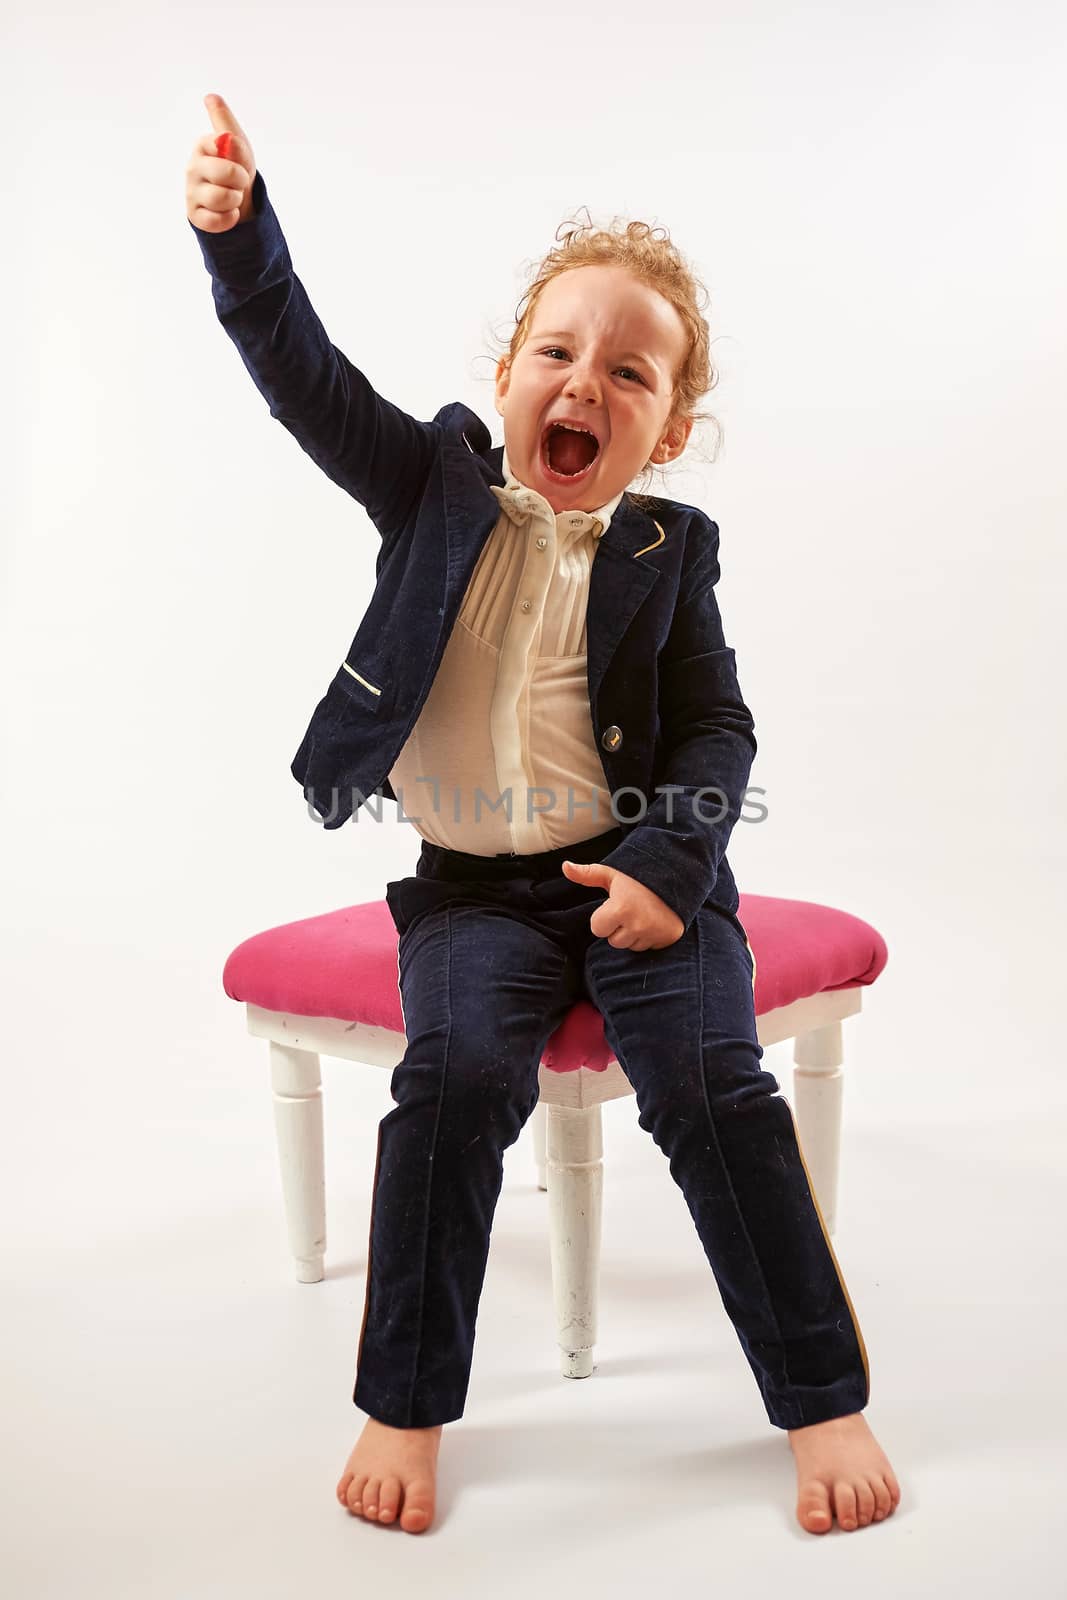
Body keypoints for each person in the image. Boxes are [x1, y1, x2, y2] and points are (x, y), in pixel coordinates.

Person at [186, 92, 903, 1538]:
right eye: (560, 354)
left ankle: (822, 1397)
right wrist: (239, 236)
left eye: (628, 374)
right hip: (473, 891)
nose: (586, 383)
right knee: (449, 1090)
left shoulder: (671, 549)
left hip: (646, 883)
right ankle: (406, 1401)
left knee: (713, 1090)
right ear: (508, 373)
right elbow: (300, 372)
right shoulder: (428, 487)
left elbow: (718, 728)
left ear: (670, 429)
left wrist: (664, 862)